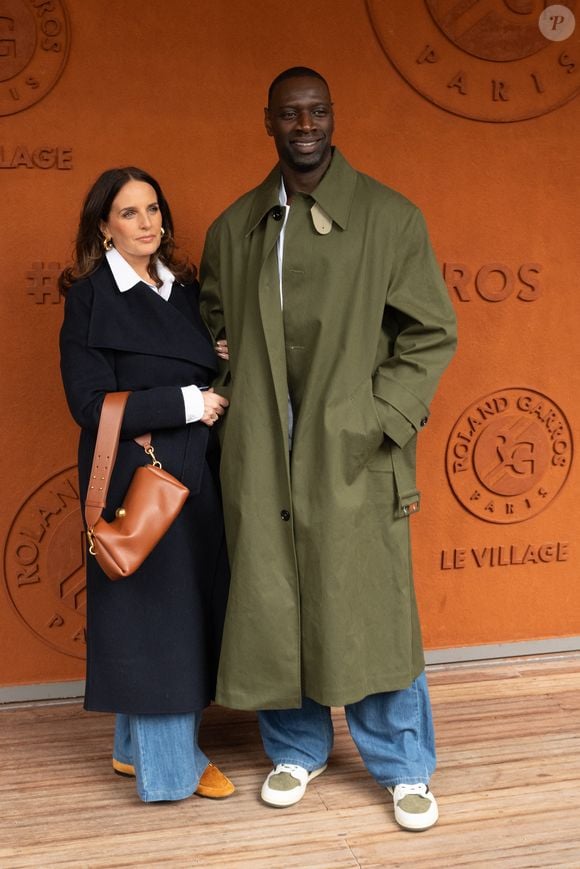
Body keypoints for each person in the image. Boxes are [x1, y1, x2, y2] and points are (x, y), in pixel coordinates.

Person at [200, 67, 457, 831]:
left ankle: (405, 764)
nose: (305, 123)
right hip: (263, 451)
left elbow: (431, 332)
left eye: (317, 110)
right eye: (290, 112)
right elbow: (213, 330)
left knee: (368, 605)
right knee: (277, 598)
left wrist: (374, 417)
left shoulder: (389, 218)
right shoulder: (233, 228)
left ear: (332, 118)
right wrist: (232, 397)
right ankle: (296, 747)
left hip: (350, 449)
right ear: (269, 122)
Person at [59, 167, 232, 803]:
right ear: (103, 225)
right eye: (129, 213)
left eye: (153, 209)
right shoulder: (89, 297)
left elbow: (195, 360)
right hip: (142, 477)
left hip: (195, 477)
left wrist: (216, 355)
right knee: (155, 618)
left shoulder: (182, 290)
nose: (147, 223)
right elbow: (88, 401)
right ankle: (171, 770)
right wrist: (189, 401)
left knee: (176, 610)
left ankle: (135, 751)